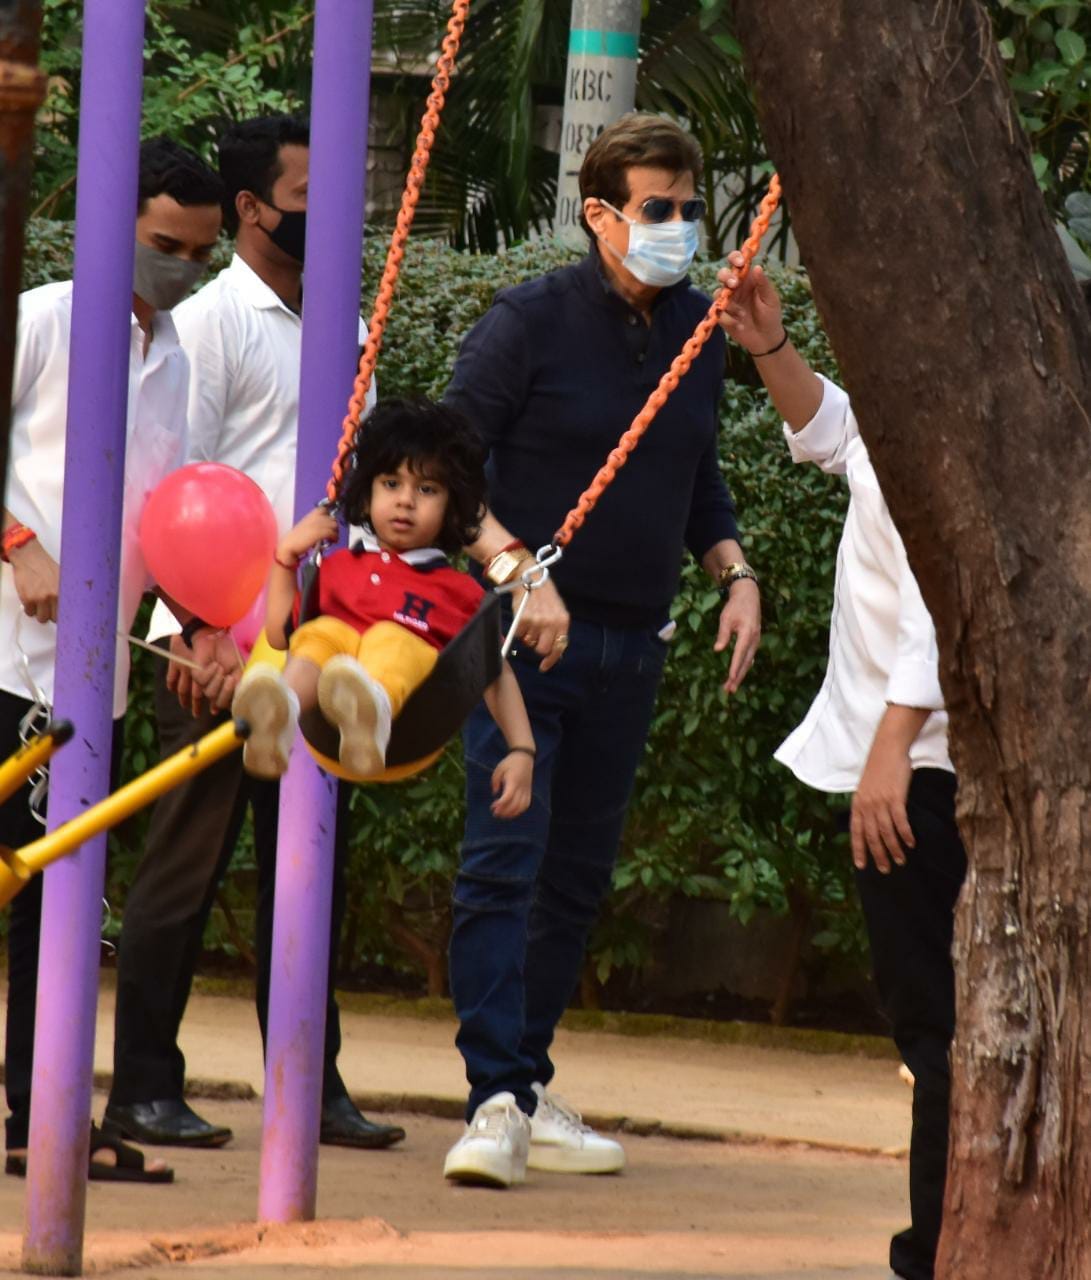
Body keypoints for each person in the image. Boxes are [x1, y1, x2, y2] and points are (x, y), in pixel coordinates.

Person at [439, 113, 762, 1187]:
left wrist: (734, 572)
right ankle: (489, 1098)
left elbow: (693, 474)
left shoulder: (696, 331)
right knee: (503, 864)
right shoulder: (524, 323)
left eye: (685, 209)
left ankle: (524, 1084)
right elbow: (442, 468)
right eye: (656, 210)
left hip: (635, 641)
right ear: (599, 215)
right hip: (523, 648)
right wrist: (515, 570)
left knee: (574, 880)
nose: (677, 229)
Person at [104, 115, 405, 1153]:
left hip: (317, 645)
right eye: (310, 191)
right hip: (218, 645)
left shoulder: (344, 323)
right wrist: (196, 633)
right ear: (251, 208)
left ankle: (306, 1084)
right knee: (185, 864)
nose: (334, 212)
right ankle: (141, 1082)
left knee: (309, 867)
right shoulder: (215, 322)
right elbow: (176, 487)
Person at [718, 252, 965, 1280]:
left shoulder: (953, 426)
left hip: (928, 766)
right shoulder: (904, 407)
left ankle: (937, 1248)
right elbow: (830, 434)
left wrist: (888, 754)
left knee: (937, 1019)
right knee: (928, 1018)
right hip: (905, 754)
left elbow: (933, 610)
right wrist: (769, 346)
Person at [1, 138, 225, 1182]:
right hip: (6, 651)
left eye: (198, 251)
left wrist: (191, 625)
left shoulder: (172, 351)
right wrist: (17, 543)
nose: (179, 267)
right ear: (111, 224)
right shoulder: (43, 318)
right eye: (163, 245)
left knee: (56, 900)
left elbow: (164, 517)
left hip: (95, 671)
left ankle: (39, 1115)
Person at [234, 397, 535, 816]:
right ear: (368, 490)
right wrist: (286, 559)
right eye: (391, 484)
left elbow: (495, 671)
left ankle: (370, 708)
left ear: (452, 506)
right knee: (319, 637)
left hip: (406, 728)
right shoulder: (338, 567)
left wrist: (522, 749)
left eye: (426, 489)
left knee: (391, 639)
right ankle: (280, 709)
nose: (405, 501)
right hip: (324, 720)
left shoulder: (457, 591)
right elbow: (279, 634)